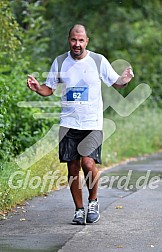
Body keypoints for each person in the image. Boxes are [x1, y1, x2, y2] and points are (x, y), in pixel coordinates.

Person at [27, 24, 134, 225]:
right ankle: (78, 209)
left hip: (92, 122)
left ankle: (93, 202)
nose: (77, 44)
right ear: (69, 40)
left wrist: (125, 79)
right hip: (68, 123)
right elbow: (48, 89)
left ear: (87, 41)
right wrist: (37, 88)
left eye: (81, 40)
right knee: (73, 168)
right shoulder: (60, 62)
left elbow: (116, 83)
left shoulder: (97, 60)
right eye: (74, 40)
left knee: (87, 162)